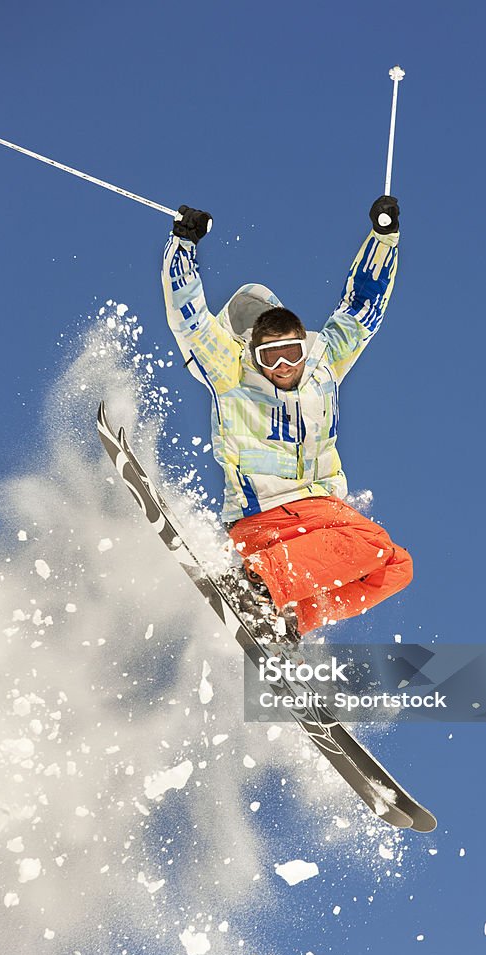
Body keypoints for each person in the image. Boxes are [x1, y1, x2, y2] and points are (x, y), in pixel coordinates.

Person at [162, 197, 412, 642]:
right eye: (268, 356)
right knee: (373, 543)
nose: (281, 367)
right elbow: (192, 323)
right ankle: (255, 583)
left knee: (396, 566)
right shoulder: (231, 372)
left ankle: (288, 620)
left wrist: (383, 237)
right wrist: (183, 245)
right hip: (262, 521)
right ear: (250, 352)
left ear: (304, 344)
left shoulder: (324, 363)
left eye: (289, 353)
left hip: (320, 516)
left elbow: (362, 307)